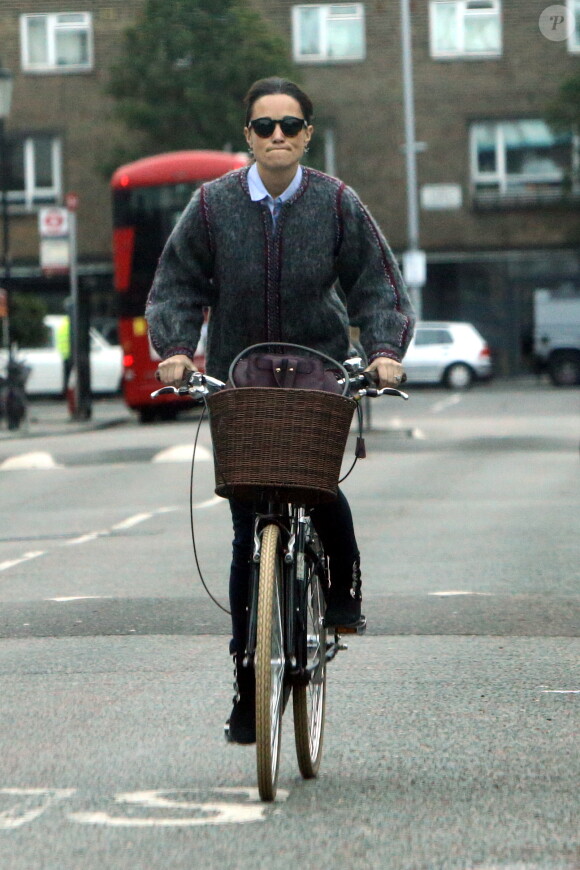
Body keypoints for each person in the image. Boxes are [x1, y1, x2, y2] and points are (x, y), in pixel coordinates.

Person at [146, 77, 415, 744]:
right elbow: (176, 281)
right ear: (247, 136)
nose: (277, 137)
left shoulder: (336, 204)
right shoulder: (212, 207)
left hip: (319, 370)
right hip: (241, 375)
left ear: (306, 134)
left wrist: (382, 350)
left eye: (289, 125)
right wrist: (177, 349)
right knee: (248, 530)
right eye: (264, 126)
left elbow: (377, 282)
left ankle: (344, 585)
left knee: (320, 488)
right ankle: (248, 682)